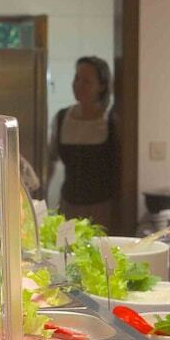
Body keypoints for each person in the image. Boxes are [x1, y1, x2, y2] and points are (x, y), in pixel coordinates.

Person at [47, 56, 117, 228]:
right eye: (77, 78)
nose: (78, 85)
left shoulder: (111, 121)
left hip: (102, 207)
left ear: (102, 86)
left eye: (86, 81)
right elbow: (51, 159)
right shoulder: (62, 118)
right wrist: (43, 193)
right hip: (68, 204)